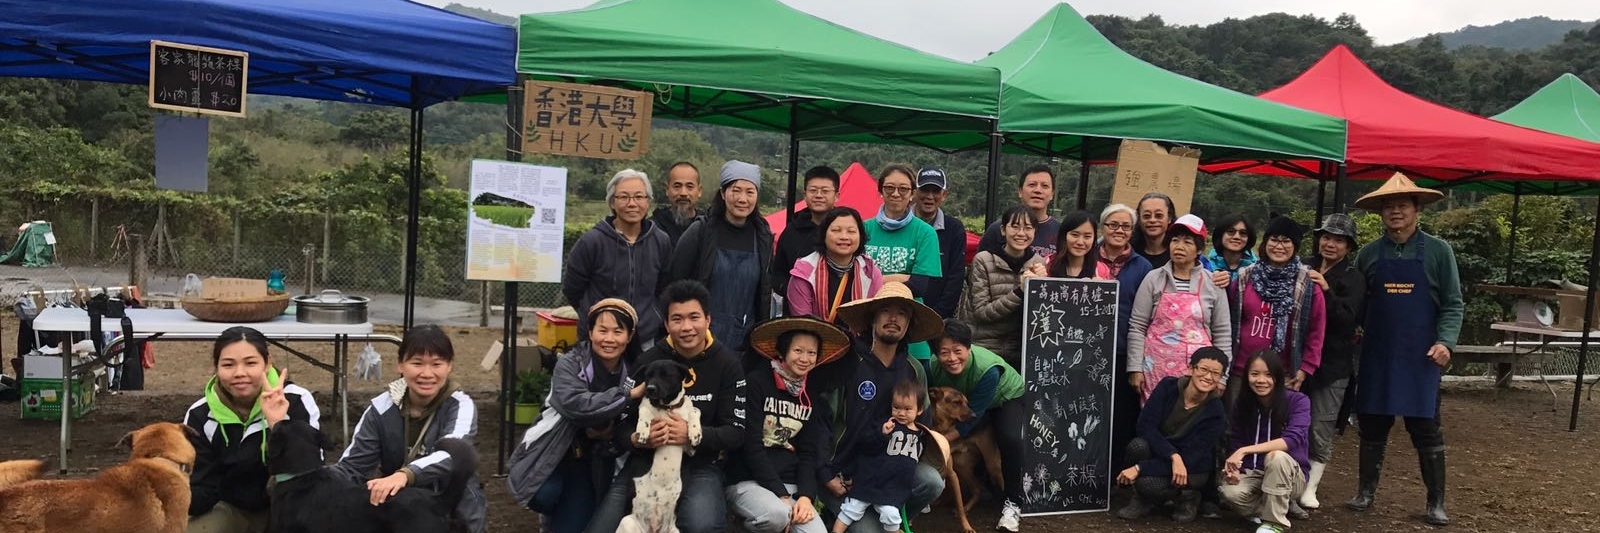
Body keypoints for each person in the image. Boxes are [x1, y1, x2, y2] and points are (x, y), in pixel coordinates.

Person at [586, 280, 748, 533]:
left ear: (708, 319)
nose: (686, 327)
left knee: (701, 525)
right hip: (645, 464)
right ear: (666, 324)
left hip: (700, 464)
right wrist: (637, 439)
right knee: (602, 528)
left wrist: (693, 435)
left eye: (694, 317)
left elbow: (736, 432)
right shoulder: (648, 361)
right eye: (677, 319)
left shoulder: (727, 364)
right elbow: (621, 423)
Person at [1347, 173, 1461, 526]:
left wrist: (1446, 342)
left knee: (1426, 427)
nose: (1395, 212)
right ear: (1380, 213)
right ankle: (1365, 491)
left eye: (1402, 205)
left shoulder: (1439, 251)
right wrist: (1350, 331)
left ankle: (1435, 501)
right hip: (1377, 353)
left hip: (1421, 356)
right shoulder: (1368, 254)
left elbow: (1453, 304)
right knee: (1372, 425)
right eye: (1389, 206)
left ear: (1417, 210)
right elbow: (1354, 303)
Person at [812, 281, 944, 533]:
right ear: (872, 317)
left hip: (888, 471)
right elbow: (820, 421)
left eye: (902, 313)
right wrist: (826, 473)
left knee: (931, 482)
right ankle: (837, 512)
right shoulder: (846, 362)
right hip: (843, 472)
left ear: (909, 325)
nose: (893, 318)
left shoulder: (914, 371)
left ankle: (889, 511)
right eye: (885, 310)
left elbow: (923, 425)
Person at [508, 299, 646, 533]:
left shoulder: (634, 370)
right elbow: (575, 405)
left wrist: (610, 432)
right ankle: (550, 514)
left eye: (618, 332)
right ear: (590, 332)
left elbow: (630, 420)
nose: (609, 339)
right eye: (602, 330)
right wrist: (626, 396)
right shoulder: (570, 363)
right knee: (543, 495)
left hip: (595, 458)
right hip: (556, 450)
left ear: (630, 336)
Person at [336, 325, 485, 533]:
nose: (427, 374)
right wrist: (314, 481)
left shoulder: (460, 405)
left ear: (449, 366)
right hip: (401, 514)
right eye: (417, 363)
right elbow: (352, 467)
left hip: (454, 509)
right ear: (400, 365)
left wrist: (405, 475)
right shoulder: (380, 408)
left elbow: (452, 454)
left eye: (437, 364)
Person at [185, 326, 320, 533]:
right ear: (217, 367)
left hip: (289, 505)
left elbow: (310, 474)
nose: (240, 373)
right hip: (228, 508)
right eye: (228, 364)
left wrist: (279, 426)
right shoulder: (200, 414)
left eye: (251, 363)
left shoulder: (295, 400)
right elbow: (201, 485)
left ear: (267, 364)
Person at [726, 317, 853, 533]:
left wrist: (805, 496)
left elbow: (808, 453)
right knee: (776, 516)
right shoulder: (756, 383)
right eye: (798, 351)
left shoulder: (809, 394)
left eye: (811, 353)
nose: (805, 359)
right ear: (783, 352)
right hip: (749, 480)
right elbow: (751, 447)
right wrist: (780, 495)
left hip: (792, 486)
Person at [669, 160, 773, 366]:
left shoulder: (763, 237)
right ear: (723, 193)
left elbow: (763, 292)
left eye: (750, 192)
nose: (742, 199)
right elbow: (676, 286)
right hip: (699, 340)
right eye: (736, 190)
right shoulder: (700, 231)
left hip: (745, 344)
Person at [928, 319, 1027, 532]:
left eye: (958, 350)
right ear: (936, 354)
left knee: (1009, 437)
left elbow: (972, 418)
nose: (952, 358)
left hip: (1004, 397)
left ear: (969, 348)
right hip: (969, 403)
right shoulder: (933, 367)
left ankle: (1013, 503)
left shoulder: (988, 370)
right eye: (944, 352)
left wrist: (939, 441)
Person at [1297, 213, 1366, 510]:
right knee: (1292, 421)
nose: (1330, 244)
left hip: (1332, 364)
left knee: (1320, 424)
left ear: (1348, 247)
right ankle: (1288, 482)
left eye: (1338, 240)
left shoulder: (1354, 278)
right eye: (1326, 237)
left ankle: (1310, 487)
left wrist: (1326, 289)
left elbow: (1349, 320)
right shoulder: (1303, 265)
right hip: (1297, 359)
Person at [1114, 346, 1228, 523]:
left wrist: (1140, 468)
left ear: (1220, 378)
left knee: (1148, 483)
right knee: (1137, 446)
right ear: (1191, 369)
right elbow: (1145, 426)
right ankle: (1141, 500)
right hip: (1166, 455)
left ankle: (1188, 497)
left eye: (1215, 373)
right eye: (1203, 369)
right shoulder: (1168, 386)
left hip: (1193, 468)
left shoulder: (1216, 411)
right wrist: (1173, 455)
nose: (1208, 377)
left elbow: (1192, 458)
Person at [1128, 214, 1232, 403]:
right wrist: (1135, 368)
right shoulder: (1153, 278)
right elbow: (1137, 326)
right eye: (1175, 240)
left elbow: (1222, 333)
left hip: (1200, 372)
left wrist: (1222, 377)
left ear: (1199, 249)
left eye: (1188, 242)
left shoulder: (1213, 283)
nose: (1179, 247)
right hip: (1155, 367)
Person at [564, 168, 673, 346]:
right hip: (600, 339)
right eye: (624, 197)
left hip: (644, 339)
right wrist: (593, 316)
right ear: (612, 202)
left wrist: (654, 317)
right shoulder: (592, 241)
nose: (632, 203)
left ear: (648, 202)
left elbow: (664, 287)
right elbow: (572, 289)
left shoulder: (660, 241)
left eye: (639, 197)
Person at [1227, 216, 1325, 395]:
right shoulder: (1245, 277)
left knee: (1276, 422)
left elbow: (1316, 330)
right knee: (1236, 421)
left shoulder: (1307, 283)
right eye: (1274, 240)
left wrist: (1306, 368)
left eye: (1286, 241)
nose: (1279, 246)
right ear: (1265, 243)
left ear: (1295, 246)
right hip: (1240, 371)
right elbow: (1226, 321)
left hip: (1283, 374)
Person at [1219, 352, 1312, 533]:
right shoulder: (1243, 404)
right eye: (1255, 374)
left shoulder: (1298, 401)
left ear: (1278, 377)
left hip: (1291, 475)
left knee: (1277, 457)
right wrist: (1235, 471)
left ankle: (1275, 523)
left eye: (1268, 375)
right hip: (1254, 473)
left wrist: (1245, 450)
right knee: (1229, 492)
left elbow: (1292, 439)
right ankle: (1274, 508)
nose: (1261, 380)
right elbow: (1237, 440)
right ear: (1247, 376)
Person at [1092, 203, 1154, 469]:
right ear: (1102, 227)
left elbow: (1146, 316)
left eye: (1126, 226)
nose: (1119, 230)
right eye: (1112, 225)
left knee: (1119, 415)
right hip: (1086, 348)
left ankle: (1114, 472)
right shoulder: (1087, 255)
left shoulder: (1142, 266)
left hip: (1122, 349)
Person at [861, 164, 942, 362]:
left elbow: (919, 286)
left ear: (912, 193)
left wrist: (875, 279)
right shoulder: (863, 229)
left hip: (911, 333)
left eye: (903, 189)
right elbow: (856, 281)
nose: (896, 194)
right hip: (867, 329)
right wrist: (902, 277)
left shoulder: (925, 233)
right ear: (880, 190)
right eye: (889, 187)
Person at [829, 379, 926, 533]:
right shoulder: (886, 425)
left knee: (891, 516)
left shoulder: (921, 434)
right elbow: (866, 445)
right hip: (869, 480)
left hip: (893, 488)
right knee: (850, 509)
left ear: (919, 410)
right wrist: (881, 434)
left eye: (907, 409)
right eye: (896, 408)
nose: (901, 413)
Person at [962, 205, 1047, 366]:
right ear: (1003, 230)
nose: (1021, 233)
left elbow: (1040, 317)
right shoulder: (983, 260)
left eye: (1028, 228)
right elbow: (981, 312)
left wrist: (1043, 285)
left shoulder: (1039, 263)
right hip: (985, 348)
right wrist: (1020, 291)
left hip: (1021, 349)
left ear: (1035, 232)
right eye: (1015, 227)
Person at [787, 207, 885, 323]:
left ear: (861, 236)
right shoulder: (804, 273)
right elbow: (803, 323)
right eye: (836, 230)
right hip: (814, 338)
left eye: (851, 231)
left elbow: (875, 319)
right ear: (824, 235)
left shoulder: (871, 272)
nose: (844, 237)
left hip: (861, 340)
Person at [773, 166, 841, 298]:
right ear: (805, 195)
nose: (819, 195)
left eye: (825, 191)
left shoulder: (846, 230)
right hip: (797, 311)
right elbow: (777, 274)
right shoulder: (791, 231)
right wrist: (794, 291)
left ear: (836, 196)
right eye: (813, 190)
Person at [912, 167, 968, 318]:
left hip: (938, 317)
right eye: (924, 190)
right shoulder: (900, 224)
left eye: (935, 191)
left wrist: (937, 315)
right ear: (914, 192)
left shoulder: (954, 229)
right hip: (899, 312)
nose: (929, 196)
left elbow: (956, 277)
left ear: (944, 195)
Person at [979, 165, 1061, 258]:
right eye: (1032, 185)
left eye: (1045, 186)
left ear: (1052, 194)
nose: (1038, 190)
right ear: (1020, 191)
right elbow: (982, 265)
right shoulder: (998, 229)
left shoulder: (1061, 232)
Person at [651, 161, 704, 246]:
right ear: (667, 190)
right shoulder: (652, 228)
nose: (683, 193)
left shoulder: (709, 227)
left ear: (699, 191)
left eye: (689, 187)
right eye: (677, 186)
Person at [1046, 210, 1109, 279]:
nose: (1080, 242)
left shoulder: (1101, 271)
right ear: (1064, 235)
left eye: (1087, 236)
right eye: (1075, 235)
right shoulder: (1046, 264)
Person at [1206, 215, 1257, 287]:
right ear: (1220, 235)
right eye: (1230, 231)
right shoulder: (1206, 265)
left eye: (1243, 233)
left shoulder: (1256, 269)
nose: (1237, 237)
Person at [1131, 193, 1176, 269]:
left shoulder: (1178, 253)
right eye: (1147, 216)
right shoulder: (1129, 252)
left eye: (1159, 215)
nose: (1152, 220)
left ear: (1169, 218)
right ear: (1139, 219)